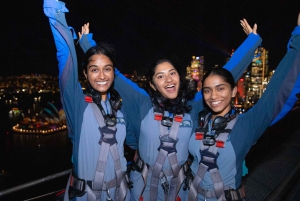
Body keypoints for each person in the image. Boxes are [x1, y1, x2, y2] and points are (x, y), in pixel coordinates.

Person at [78, 19, 261, 200]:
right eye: (160, 76)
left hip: (179, 188)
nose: (169, 80)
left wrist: (251, 42)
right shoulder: (142, 102)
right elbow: (113, 75)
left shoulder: (193, 106)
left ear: (179, 78)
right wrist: (87, 43)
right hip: (143, 186)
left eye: (172, 73)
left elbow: (227, 74)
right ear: (152, 84)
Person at [187, 13, 300, 201]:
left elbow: (277, 92)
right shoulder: (197, 119)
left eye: (221, 89)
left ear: (233, 92)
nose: (213, 96)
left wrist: (298, 36)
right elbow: (227, 72)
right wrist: (251, 42)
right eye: (207, 90)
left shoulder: (246, 126)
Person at [43, 0, 131, 200]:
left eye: (107, 69)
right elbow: (65, 57)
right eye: (94, 69)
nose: (101, 75)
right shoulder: (78, 105)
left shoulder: (118, 108)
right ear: (85, 73)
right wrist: (56, 12)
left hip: (121, 194)